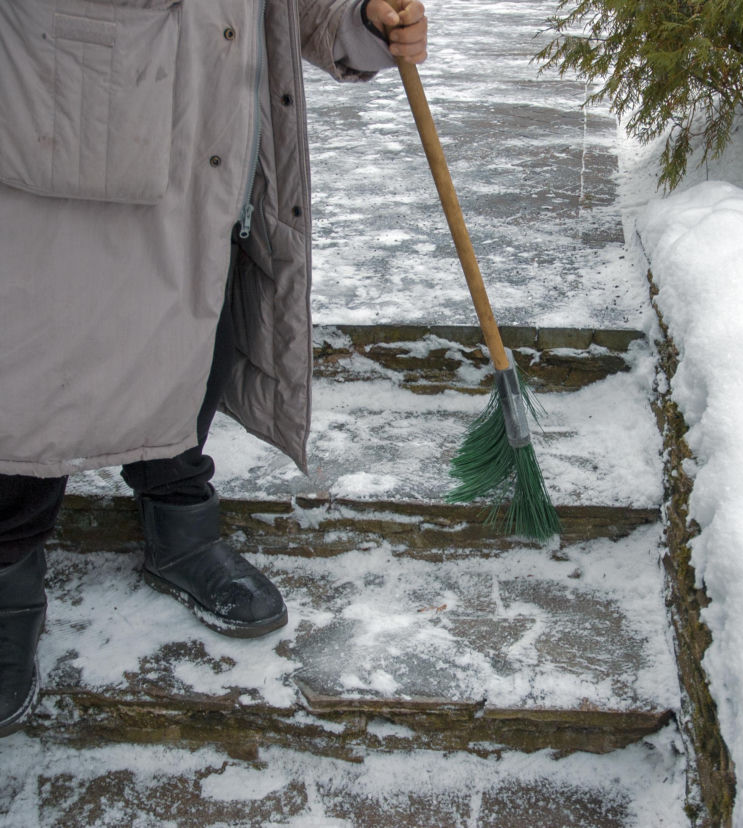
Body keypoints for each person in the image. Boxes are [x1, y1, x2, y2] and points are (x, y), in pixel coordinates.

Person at [0, 0, 428, 737]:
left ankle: (179, 521)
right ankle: (6, 568)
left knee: (199, 321)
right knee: (42, 341)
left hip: (214, 122)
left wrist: (361, 18)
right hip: (71, 106)